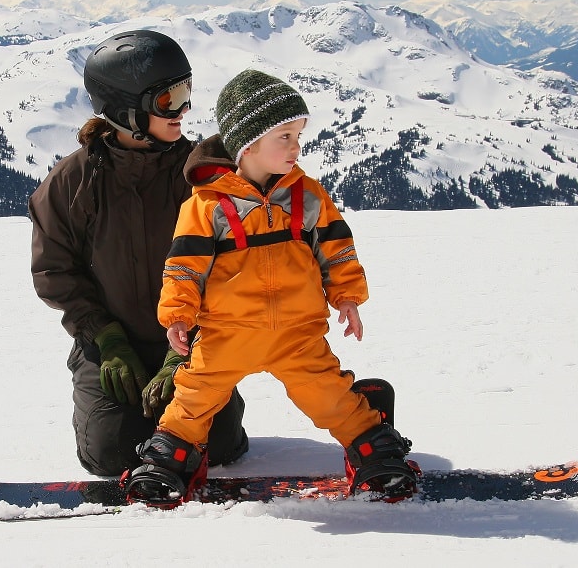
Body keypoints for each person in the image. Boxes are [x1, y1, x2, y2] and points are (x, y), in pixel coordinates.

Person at [125, 69, 416, 504]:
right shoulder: (206, 206)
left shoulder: (308, 196)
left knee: (329, 396)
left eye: (298, 135)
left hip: (297, 334)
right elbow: (183, 267)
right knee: (195, 397)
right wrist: (178, 315)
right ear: (248, 144)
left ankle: (373, 451)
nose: (296, 146)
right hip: (226, 333)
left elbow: (337, 250)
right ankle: (171, 458)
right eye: (284, 136)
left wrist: (348, 297)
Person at [28, 30, 249, 477]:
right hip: (112, 343)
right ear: (124, 110)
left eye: (186, 93)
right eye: (168, 100)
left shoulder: (202, 175)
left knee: (218, 444)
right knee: (112, 452)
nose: (184, 111)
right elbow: (55, 271)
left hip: (192, 341)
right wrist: (104, 338)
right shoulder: (72, 183)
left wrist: (187, 347)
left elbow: (232, 269)